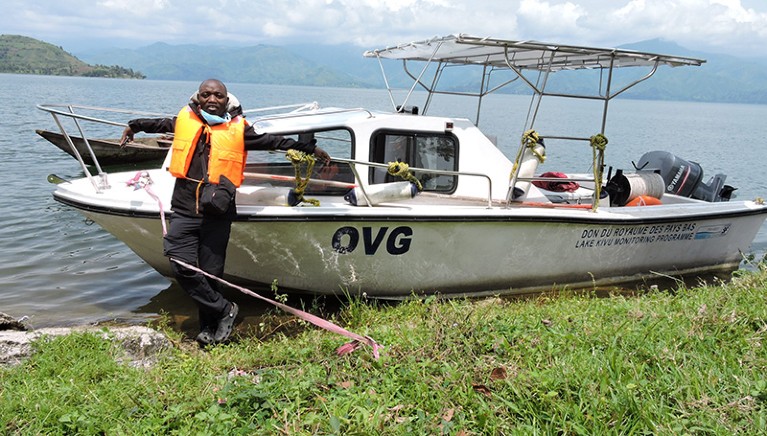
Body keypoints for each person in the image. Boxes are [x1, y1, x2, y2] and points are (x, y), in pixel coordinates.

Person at [121, 79, 330, 345]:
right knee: (181, 265)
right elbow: (158, 123)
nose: (211, 99)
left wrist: (309, 148)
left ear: (226, 99)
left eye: (217, 95)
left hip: (218, 211)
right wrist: (134, 126)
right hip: (185, 208)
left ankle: (209, 328)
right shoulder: (185, 119)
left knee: (211, 272)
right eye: (206, 94)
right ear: (198, 96)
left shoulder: (240, 129)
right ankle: (224, 309)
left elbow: (274, 141)